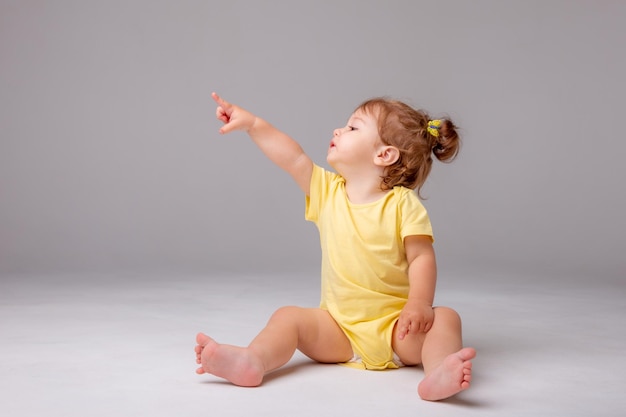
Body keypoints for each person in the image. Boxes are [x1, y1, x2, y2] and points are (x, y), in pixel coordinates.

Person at [194, 92, 476, 401]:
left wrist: (419, 304)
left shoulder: (402, 204)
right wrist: (253, 124)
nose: (337, 131)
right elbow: (293, 158)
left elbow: (422, 256)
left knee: (446, 317)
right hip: (338, 331)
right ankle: (253, 360)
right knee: (288, 317)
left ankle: (437, 373)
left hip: (397, 331)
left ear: (384, 155)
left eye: (353, 128)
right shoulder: (327, 192)